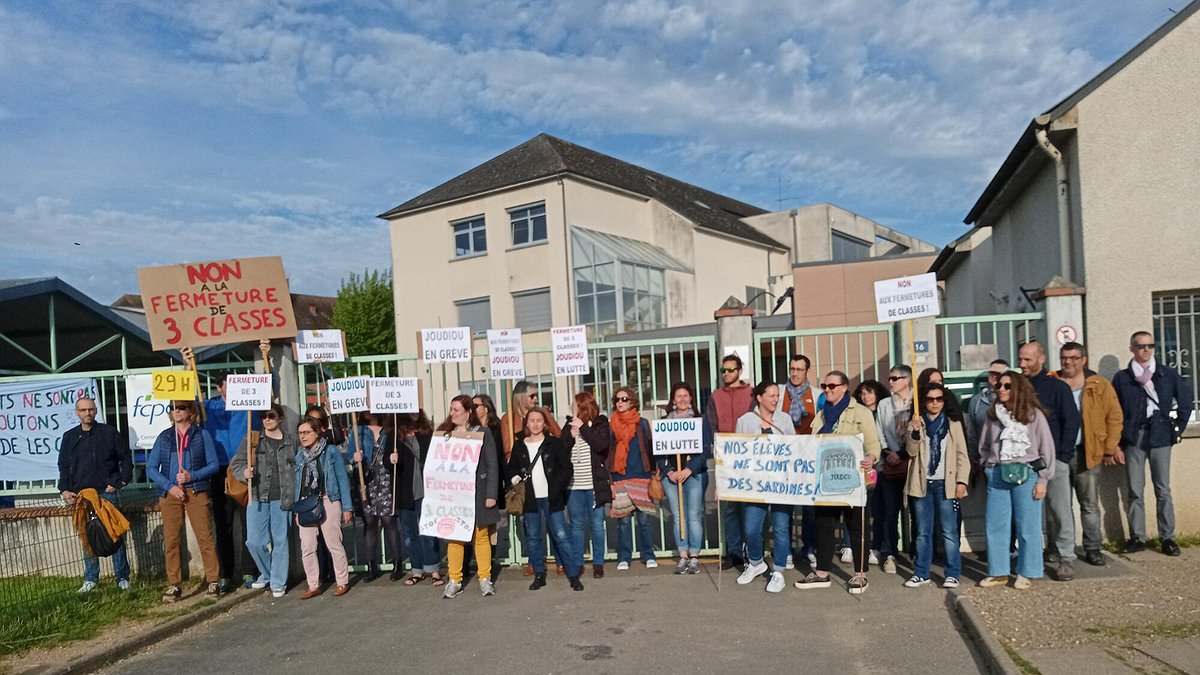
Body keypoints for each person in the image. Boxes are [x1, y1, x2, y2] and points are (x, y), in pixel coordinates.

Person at [183, 345, 263, 594]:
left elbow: (269, 392)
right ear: (220, 388)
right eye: (229, 384)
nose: (235, 388)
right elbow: (188, 403)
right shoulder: (210, 407)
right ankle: (226, 574)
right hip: (218, 470)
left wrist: (266, 355)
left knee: (249, 524)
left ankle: (251, 570)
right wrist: (188, 365)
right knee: (223, 524)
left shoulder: (251, 406)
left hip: (244, 469)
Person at [795, 371, 880, 595]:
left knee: (857, 527)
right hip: (826, 483)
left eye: (832, 385)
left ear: (844, 387)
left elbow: (873, 444)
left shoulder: (860, 412)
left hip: (853, 482)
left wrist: (871, 458)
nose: (827, 389)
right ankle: (822, 572)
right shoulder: (821, 415)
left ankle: (860, 574)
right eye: (824, 385)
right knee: (824, 526)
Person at [1112, 331, 1193, 556]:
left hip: (1160, 436)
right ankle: (1137, 537)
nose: (1146, 350)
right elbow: (1115, 412)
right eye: (1140, 346)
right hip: (1133, 437)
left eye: (1150, 345)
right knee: (1135, 490)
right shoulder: (1122, 378)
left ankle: (1167, 537)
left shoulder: (1166, 374)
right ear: (1132, 349)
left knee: (1163, 489)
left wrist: (1177, 427)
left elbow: (1186, 401)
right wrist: (1117, 444)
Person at [977, 372, 1055, 590]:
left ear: (1018, 388)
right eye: (999, 385)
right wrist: (987, 465)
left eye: (1007, 385)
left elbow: (1046, 448)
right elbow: (983, 444)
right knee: (996, 525)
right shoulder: (992, 416)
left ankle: (1027, 571)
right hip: (998, 473)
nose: (1001, 389)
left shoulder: (1034, 416)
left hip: (1027, 473)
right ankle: (998, 571)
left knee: (1028, 526)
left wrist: (1043, 480)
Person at [1051, 342, 1123, 566]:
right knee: (1057, 506)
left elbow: (1114, 416)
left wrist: (1110, 447)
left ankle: (1093, 548)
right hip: (1058, 453)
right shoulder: (1052, 382)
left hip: (1088, 452)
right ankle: (1059, 548)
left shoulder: (1099, 385)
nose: (1068, 362)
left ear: (1083, 360)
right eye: (1064, 357)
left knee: (1089, 505)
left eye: (1073, 357)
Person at [1018, 341, 1081, 581]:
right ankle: (1034, 555)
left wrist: (1062, 456)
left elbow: (1071, 421)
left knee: (1059, 509)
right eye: (1021, 359)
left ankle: (1066, 557)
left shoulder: (1057, 387)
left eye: (1027, 360)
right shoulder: (1017, 386)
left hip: (1053, 460)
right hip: (1024, 461)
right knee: (1029, 512)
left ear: (1041, 359)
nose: (1022, 364)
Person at [147, 400, 221, 602]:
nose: (176, 411)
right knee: (171, 540)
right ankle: (174, 584)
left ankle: (213, 580)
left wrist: (193, 476)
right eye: (172, 408)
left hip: (196, 491)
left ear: (191, 411)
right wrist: (169, 486)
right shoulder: (164, 437)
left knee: (205, 536)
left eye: (181, 407)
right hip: (170, 493)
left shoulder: (201, 435)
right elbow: (151, 468)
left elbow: (214, 465)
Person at [58, 396, 132, 593]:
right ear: (77, 413)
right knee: (87, 536)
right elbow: (63, 465)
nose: (87, 413)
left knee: (114, 534)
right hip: (81, 495)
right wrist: (64, 489)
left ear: (96, 411)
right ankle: (91, 579)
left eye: (90, 409)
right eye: (83, 410)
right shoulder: (70, 437)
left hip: (106, 493)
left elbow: (125, 457)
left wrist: (121, 481)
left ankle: (122, 577)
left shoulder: (108, 433)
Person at [507, 407, 584, 591]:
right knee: (533, 537)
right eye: (531, 420)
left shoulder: (554, 443)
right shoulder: (519, 444)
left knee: (561, 535)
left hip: (551, 498)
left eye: (539, 420)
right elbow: (511, 468)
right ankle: (539, 575)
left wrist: (556, 487)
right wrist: (514, 477)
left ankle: (573, 575)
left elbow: (566, 468)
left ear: (544, 423)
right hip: (530, 499)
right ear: (527, 423)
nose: (535, 424)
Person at [903, 383, 969, 588]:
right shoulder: (917, 422)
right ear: (924, 401)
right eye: (930, 399)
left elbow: (961, 455)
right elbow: (911, 452)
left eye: (939, 399)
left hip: (945, 483)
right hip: (922, 483)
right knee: (923, 532)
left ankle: (952, 573)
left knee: (949, 531)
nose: (934, 403)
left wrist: (961, 481)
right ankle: (921, 572)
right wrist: (914, 433)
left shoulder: (953, 424)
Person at [735, 381, 797, 592]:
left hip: (780, 484)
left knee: (780, 528)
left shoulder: (785, 420)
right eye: (771, 395)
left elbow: (795, 448)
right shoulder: (745, 421)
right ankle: (756, 563)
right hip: (755, 485)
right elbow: (737, 453)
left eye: (777, 395)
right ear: (759, 397)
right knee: (751, 529)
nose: (775, 399)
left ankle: (778, 571)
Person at [230, 403, 295, 598]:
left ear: (280, 418)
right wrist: (243, 472)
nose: (267, 419)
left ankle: (278, 582)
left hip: (283, 498)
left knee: (280, 541)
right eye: (264, 416)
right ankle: (267, 573)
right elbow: (236, 463)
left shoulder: (291, 442)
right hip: (257, 496)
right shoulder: (252, 440)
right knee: (255, 542)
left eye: (271, 415)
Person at [439, 395, 501, 598]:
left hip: (478, 493)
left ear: (468, 412)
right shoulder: (444, 434)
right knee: (455, 538)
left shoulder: (482, 433)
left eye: (456, 410)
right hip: (455, 495)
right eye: (451, 409)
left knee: (480, 536)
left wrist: (491, 493)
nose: (452, 413)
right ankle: (454, 580)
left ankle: (485, 578)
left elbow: (492, 465)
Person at [704, 354, 754, 570]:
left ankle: (754, 552)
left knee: (752, 506)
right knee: (730, 508)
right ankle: (734, 553)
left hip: (750, 458)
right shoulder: (715, 396)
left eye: (731, 370)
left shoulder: (752, 394)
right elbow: (712, 425)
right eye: (723, 370)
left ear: (740, 371)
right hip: (726, 459)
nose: (726, 374)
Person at [295, 417, 353, 599]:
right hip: (306, 503)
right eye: (300, 433)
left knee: (333, 543)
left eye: (306, 432)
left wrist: (347, 507)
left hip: (329, 499)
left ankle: (342, 581)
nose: (303, 437)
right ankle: (313, 584)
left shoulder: (331, 451)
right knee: (307, 546)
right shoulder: (299, 456)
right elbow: (297, 483)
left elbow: (342, 478)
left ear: (317, 432)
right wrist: (296, 509)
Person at [658, 382, 710, 576]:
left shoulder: (700, 421)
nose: (682, 399)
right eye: (678, 396)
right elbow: (659, 453)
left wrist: (689, 469)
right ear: (673, 400)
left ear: (691, 399)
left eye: (685, 396)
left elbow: (705, 450)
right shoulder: (664, 422)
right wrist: (669, 471)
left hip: (694, 474)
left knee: (694, 515)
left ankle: (695, 556)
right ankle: (683, 555)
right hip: (671, 475)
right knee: (678, 516)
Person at [608, 386, 658, 570]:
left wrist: (654, 473)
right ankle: (624, 557)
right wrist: (609, 480)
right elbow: (608, 453)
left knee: (644, 520)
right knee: (623, 521)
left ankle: (648, 555)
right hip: (620, 476)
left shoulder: (642, 423)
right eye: (617, 400)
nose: (620, 403)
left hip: (641, 476)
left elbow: (650, 449)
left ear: (632, 402)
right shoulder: (611, 424)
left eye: (624, 399)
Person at [564, 391, 613, 579]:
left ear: (583, 407)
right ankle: (578, 562)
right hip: (574, 485)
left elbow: (600, 445)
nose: (571, 408)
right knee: (576, 524)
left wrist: (583, 428)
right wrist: (570, 434)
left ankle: (598, 562)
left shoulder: (600, 423)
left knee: (597, 524)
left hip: (593, 483)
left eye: (574, 405)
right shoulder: (569, 424)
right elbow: (562, 448)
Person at [395, 411, 444, 586]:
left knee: (429, 531)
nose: (414, 413)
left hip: (426, 490)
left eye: (417, 409)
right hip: (405, 492)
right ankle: (417, 569)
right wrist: (391, 459)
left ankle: (433, 569)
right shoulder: (395, 435)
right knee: (410, 534)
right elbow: (387, 464)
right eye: (410, 410)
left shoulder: (426, 433)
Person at [872, 366, 912, 575]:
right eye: (890, 378)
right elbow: (879, 432)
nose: (891, 381)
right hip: (890, 461)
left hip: (914, 463)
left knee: (916, 510)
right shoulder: (884, 404)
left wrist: (904, 454)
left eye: (895, 378)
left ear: (907, 380)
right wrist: (890, 453)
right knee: (890, 510)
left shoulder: (917, 402)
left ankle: (916, 553)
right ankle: (889, 553)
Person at [353, 413, 403, 582]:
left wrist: (394, 458)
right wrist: (355, 457)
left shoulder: (390, 429)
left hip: (386, 478)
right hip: (367, 480)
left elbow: (397, 449)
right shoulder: (358, 430)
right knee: (370, 523)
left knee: (389, 520)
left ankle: (397, 563)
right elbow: (350, 453)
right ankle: (371, 566)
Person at [473, 394, 510, 563]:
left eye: (476, 405)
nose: (472, 409)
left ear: (485, 408)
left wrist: (504, 482)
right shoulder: (469, 429)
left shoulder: (495, 429)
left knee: (490, 523)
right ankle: (471, 560)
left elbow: (499, 457)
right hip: (474, 483)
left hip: (491, 480)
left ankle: (490, 558)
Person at [966, 360, 1010, 463]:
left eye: (998, 374)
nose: (994, 376)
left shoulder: (1014, 400)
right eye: (991, 373)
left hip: (1010, 460)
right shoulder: (976, 401)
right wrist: (973, 459)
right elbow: (971, 432)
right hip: (986, 461)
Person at [782, 354, 818, 434]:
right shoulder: (779, 393)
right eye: (792, 369)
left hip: (809, 442)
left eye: (799, 370)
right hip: (785, 443)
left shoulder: (817, 395)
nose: (794, 374)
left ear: (807, 371)